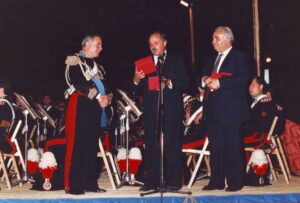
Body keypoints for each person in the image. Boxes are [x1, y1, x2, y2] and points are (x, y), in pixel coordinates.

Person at [197, 26, 251, 192]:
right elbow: (201, 77)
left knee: (233, 147)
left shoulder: (240, 57)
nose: (213, 41)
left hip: (232, 111)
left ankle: (235, 182)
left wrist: (221, 83)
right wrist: (204, 80)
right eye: (213, 38)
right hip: (213, 111)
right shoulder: (211, 59)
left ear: (228, 39)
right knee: (216, 148)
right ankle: (216, 181)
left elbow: (244, 78)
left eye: (216, 38)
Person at [134, 31, 189, 191]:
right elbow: (135, 88)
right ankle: (152, 182)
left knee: (172, 145)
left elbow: (185, 81)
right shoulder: (144, 62)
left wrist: (170, 83)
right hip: (152, 111)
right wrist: (136, 80)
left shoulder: (176, 60)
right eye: (150, 44)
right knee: (151, 146)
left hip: (171, 110)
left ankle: (173, 182)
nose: (153, 46)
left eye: (156, 43)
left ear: (164, 43)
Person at [64, 35, 112, 195]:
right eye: (98, 45)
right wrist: (99, 97)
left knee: (92, 146)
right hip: (80, 105)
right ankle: (74, 185)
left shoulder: (99, 67)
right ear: (86, 45)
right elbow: (75, 82)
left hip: (96, 109)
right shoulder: (74, 60)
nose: (101, 48)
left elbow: (108, 86)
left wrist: (107, 98)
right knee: (78, 145)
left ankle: (90, 183)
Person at [244, 77, 281, 148]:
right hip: (256, 134)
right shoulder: (257, 101)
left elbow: (261, 124)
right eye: (250, 85)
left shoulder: (264, 102)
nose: (250, 88)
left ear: (261, 87)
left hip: (259, 137)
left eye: (253, 85)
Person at [0, 79, 16, 154]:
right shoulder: (8, 101)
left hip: (3, 138)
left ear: (2, 89)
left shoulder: (3, 103)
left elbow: (5, 122)